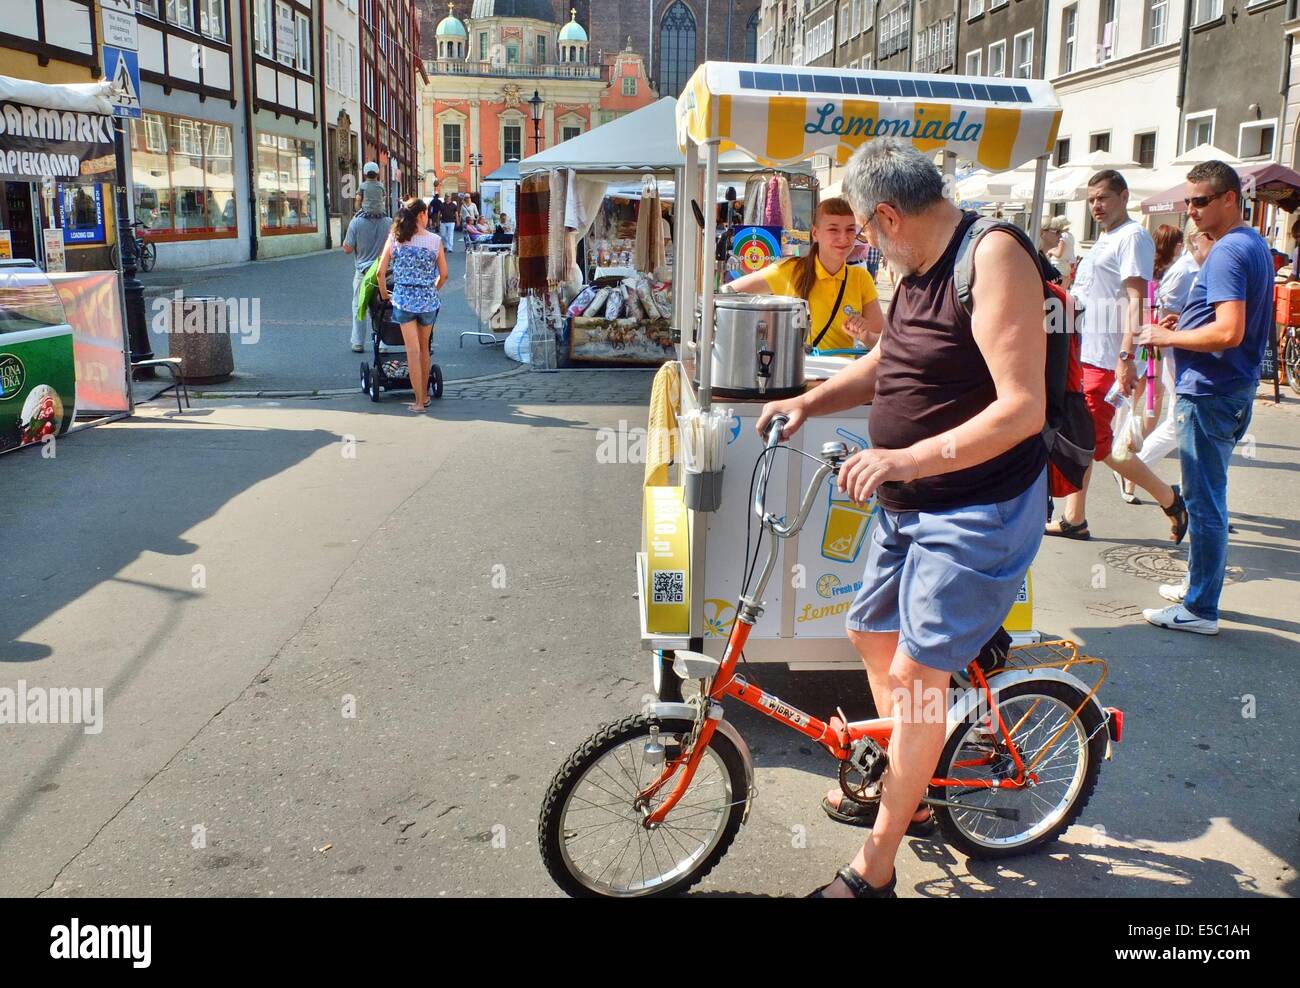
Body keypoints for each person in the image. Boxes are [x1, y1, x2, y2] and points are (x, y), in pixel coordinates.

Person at [758, 139, 1049, 898]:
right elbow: (891, 363)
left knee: (919, 682)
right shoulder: (912, 268)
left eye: (862, 229)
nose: (860, 244)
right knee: (867, 630)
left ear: (888, 215)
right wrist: (807, 401)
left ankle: (875, 868)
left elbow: (1022, 409)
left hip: (975, 508)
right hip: (909, 503)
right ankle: (911, 780)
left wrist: (906, 459)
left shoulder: (991, 258)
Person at [1137, 161, 1274, 634]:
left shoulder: (1230, 251)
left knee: (1204, 503)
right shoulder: (1251, 243)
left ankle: (1199, 609)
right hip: (1228, 389)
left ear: (1230, 198)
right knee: (1208, 497)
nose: (1191, 210)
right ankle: (1200, 584)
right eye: (1188, 201)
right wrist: (1187, 326)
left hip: (1213, 392)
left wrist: (1166, 336)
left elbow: (1230, 331)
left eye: (1201, 201)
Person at [1045, 169, 1187, 542]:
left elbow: (1136, 300)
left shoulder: (1133, 237)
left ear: (1124, 198)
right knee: (1083, 436)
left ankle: (1169, 498)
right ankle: (1074, 518)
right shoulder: (1103, 240)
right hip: (1086, 351)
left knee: (1095, 442)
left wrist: (1126, 356)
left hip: (1109, 357)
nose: (1096, 206)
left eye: (1103, 198)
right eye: (1092, 200)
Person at [723, 197, 885, 350]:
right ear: (815, 233)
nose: (843, 238)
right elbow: (727, 293)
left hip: (843, 376)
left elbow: (883, 343)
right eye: (833, 229)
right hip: (795, 375)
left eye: (850, 230)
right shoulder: (789, 270)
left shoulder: (861, 278)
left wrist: (866, 336)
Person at [1128, 229, 1213, 480]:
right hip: (1178, 356)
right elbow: (1164, 317)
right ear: (1196, 240)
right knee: (1180, 423)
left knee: (1181, 423)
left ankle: (1134, 469)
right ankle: (1133, 468)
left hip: (1188, 354)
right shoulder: (1184, 271)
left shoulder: (1199, 267)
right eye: (1212, 236)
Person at [375, 198, 449, 412]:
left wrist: (384, 295)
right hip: (428, 301)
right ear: (422, 214)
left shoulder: (396, 238)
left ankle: (418, 402)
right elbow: (444, 275)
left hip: (404, 300)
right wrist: (432, 288)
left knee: (412, 351)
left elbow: (381, 272)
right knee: (425, 349)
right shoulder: (435, 241)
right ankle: (424, 396)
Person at [341, 208, 392, 353]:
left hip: (363, 272)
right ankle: (383, 342)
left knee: (359, 306)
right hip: (383, 271)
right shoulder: (388, 222)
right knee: (383, 307)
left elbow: (347, 248)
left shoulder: (356, 222)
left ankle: (358, 342)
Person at [1047, 215, 1076, 288]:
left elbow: (1059, 254)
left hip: (1058, 266)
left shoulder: (1062, 236)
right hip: (1066, 265)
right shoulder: (1070, 236)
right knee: (1063, 292)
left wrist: (1051, 251)